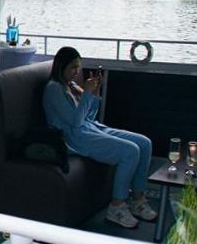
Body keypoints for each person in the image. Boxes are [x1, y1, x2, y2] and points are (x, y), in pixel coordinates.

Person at [43, 46, 155, 228]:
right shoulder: (53, 89)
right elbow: (75, 122)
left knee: (144, 143)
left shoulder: (70, 86)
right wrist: (86, 93)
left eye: (78, 68)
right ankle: (117, 206)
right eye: (72, 68)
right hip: (74, 138)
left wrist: (95, 93)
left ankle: (138, 198)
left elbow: (89, 116)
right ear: (60, 66)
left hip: (90, 128)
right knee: (130, 151)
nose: (76, 72)